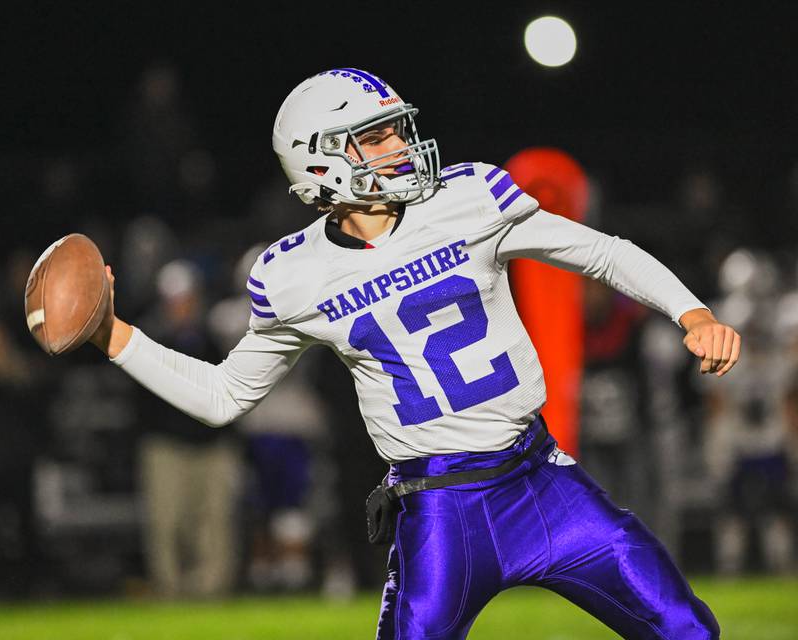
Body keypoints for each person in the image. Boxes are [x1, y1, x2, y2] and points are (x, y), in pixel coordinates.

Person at [89, 69, 741, 638]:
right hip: (440, 510)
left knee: (685, 626)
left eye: (398, 129)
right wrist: (115, 336)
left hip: (539, 479)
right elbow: (223, 395)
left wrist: (692, 311)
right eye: (376, 137)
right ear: (320, 160)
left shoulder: (467, 198)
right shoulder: (293, 275)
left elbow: (600, 250)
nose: (400, 145)